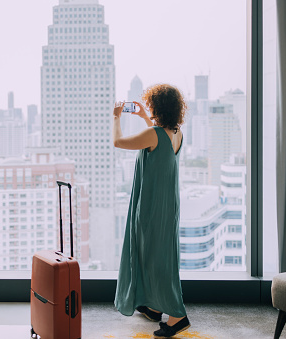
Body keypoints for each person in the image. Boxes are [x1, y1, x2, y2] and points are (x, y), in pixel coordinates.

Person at [112, 84, 190, 338]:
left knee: (157, 260)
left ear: (159, 108)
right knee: (159, 256)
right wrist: (145, 117)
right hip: (168, 206)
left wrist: (116, 118)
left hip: (152, 206)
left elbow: (118, 142)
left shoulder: (155, 134)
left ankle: (178, 315)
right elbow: (156, 136)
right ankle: (155, 306)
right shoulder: (176, 133)